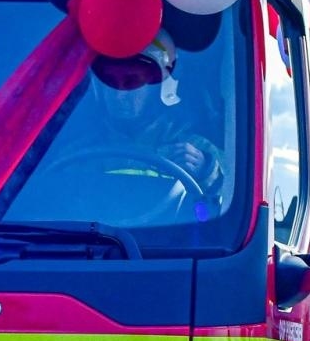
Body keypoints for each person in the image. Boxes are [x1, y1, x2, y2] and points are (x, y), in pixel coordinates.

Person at [85, 31, 225, 216]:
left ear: (157, 88)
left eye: (131, 82)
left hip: (173, 243)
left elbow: (234, 204)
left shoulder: (195, 149)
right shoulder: (83, 151)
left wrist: (205, 170)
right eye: (111, 83)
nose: (119, 96)